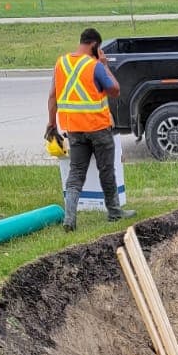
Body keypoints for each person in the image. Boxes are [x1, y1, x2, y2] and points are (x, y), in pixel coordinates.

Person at [47, 27, 135, 231]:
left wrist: (51, 124)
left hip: (74, 129)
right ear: (94, 45)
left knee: (76, 172)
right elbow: (115, 90)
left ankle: (69, 218)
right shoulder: (94, 65)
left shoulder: (61, 63)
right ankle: (114, 211)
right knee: (106, 169)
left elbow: (53, 97)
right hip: (98, 128)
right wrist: (104, 65)